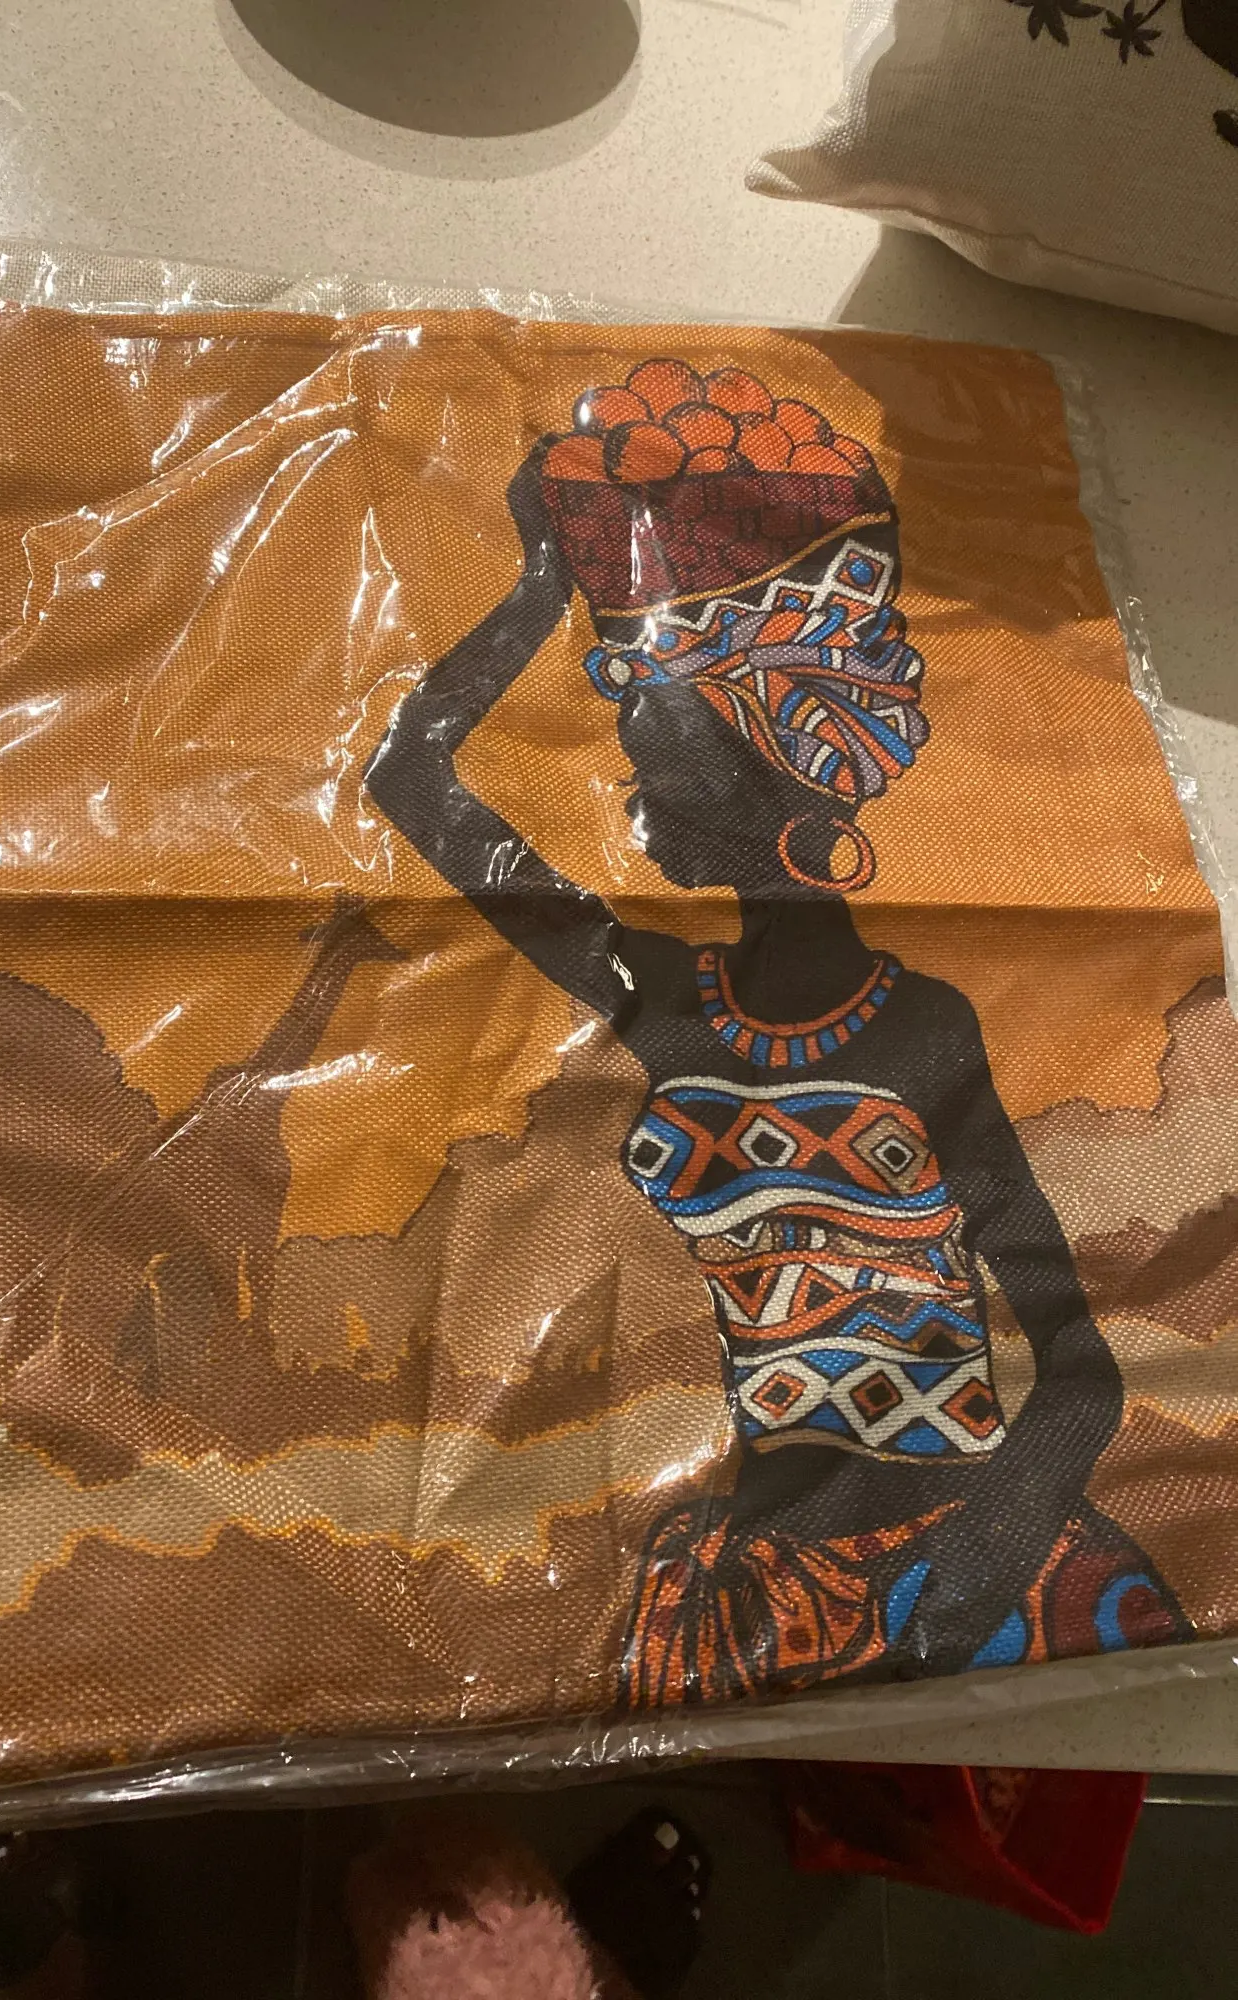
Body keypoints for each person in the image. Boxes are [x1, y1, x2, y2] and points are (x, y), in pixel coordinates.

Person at [366, 358, 1187, 1706]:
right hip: (761, 1584)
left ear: (778, 760)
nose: (633, 782)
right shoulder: (663, 1003)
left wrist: (980, 1563)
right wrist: (539, 585)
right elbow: (411, 775)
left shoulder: (920, 1030)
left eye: (658, 745)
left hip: (977, 1569)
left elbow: (1082, 1372)